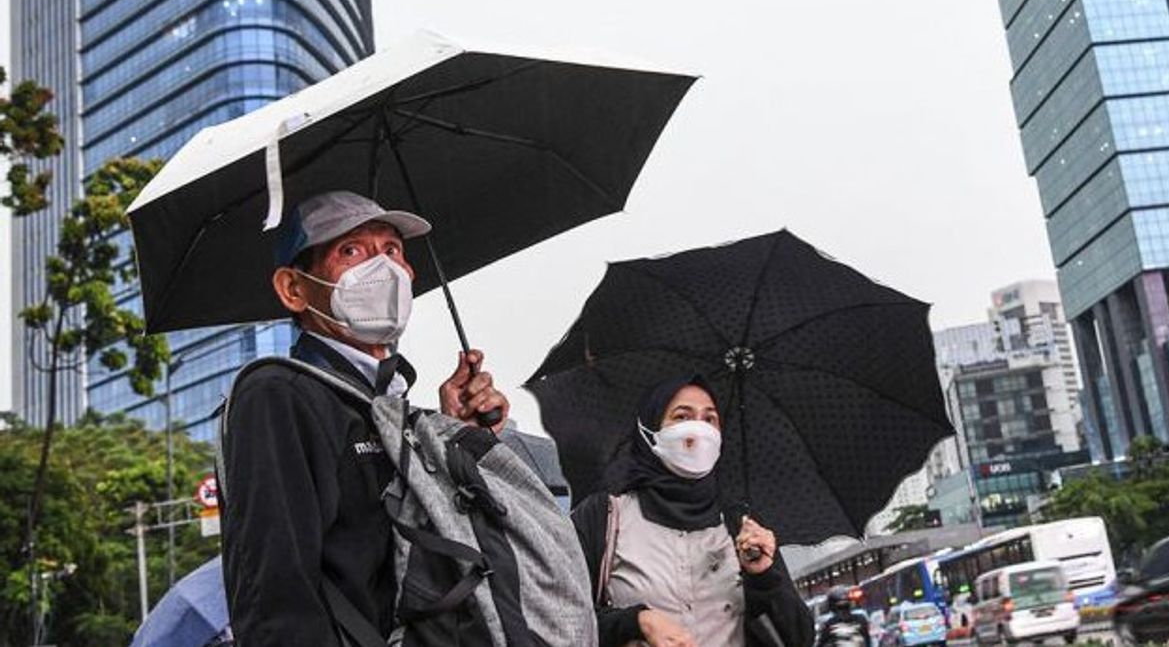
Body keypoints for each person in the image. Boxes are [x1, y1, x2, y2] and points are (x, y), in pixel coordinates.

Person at [220, 190, 510, 646]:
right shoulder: (278, 396)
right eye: (351, 251)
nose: (383, 269)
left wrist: (458, 438)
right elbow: (275, 589)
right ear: (293, 289)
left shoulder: (394, 405)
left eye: (391, 250)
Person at [572, 375, 814, 647]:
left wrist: (763, 576)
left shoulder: (741, 526)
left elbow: (798, 639)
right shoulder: (603, 518)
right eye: (682, 417)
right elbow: (562, 617)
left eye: (709, 419)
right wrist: (635, 622)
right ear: (649, 430)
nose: (698, 428)